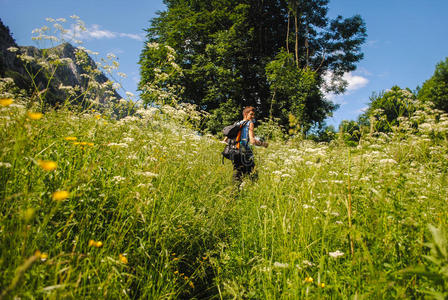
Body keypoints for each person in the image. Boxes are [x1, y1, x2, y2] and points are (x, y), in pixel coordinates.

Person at [231, 106, 268, 185]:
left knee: (237, 173)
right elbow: (252, 141)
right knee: (253, 175)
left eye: (253, 115)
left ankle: (233, 194)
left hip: (236, 151)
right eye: (251, 114)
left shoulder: (237, 124)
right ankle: (254, 192)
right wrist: (263, 144)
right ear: (245, 114)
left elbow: (227, 138)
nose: (253, 117)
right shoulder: (250, 123)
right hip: (246, 152)